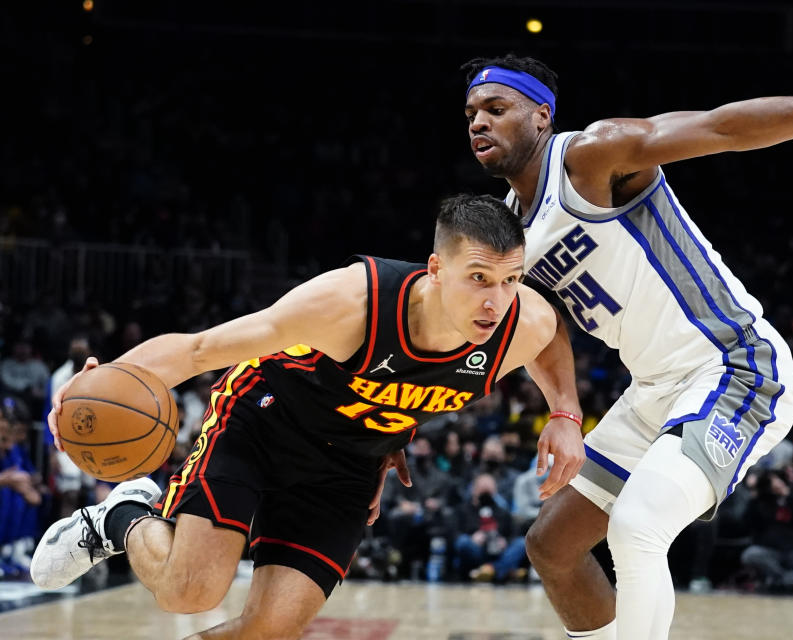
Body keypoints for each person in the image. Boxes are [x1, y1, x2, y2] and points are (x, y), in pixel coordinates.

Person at [460, 54, 793, 639]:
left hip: (737, 367)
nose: (478, 123)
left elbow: (723, 127)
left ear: (542, 115)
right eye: (470, 114)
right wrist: (564, 408)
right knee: (552, 546)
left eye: (496, 108)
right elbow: (538, 325)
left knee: (638, 526)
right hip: (654, 391)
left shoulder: (591, 156)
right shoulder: (509, 227)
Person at [32, 195, 584, 640]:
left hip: (347, 466)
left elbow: (552, 335)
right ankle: (122, 516)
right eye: (480, 278)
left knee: (271, 628)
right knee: (190, 592)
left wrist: (564, 411)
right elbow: (200, 349)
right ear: (437, 269)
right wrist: (96, 386)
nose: (496, 300)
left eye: (510, 280)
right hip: (264, 420)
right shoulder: (351, 303)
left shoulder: (520, 323)